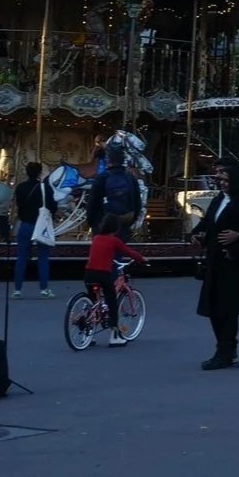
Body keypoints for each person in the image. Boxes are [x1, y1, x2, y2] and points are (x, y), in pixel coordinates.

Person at [193, 159, 239, 370]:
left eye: (225, 179)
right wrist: (197, 234)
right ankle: (226, 348)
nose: (222, 182)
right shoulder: (220, 199)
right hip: (217, 259)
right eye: (220, 179)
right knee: (214, 305)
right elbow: (209, 221)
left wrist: (238, 237)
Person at [83, 213, 146, 346]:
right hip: (103, 274)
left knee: (93, 302)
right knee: (112, 303)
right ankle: (114, 336)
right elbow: (128, 252)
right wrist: (141, 258)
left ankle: (88, 334)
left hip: (89, 274)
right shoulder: (114, 240)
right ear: (116, 228)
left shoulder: (96, 238)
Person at [11, 160, 57, 298]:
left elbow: (18, 205)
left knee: (21, 257)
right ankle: (44, 289)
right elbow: (52, 206)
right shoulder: (45, 188)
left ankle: (17, 290)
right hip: (40, 225)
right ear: (40, 173)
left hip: (25, 224)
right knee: (43, 257)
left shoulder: (20, 188)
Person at [82, 147, 142, 235]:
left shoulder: (102, 178)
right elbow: (137, 203)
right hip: (123, 223)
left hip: (103, 224)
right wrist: (130, 222)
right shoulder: (131, 178)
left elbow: (93, 202)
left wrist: (93, 223)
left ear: (108, 160)